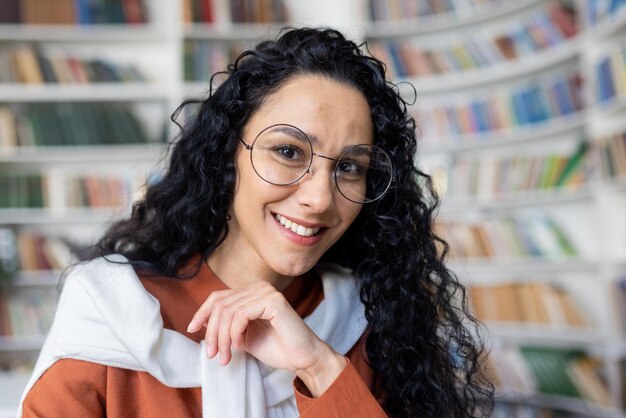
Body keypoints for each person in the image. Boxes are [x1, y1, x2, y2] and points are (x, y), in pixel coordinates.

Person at [19, 28, 493, 417]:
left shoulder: (367, 321)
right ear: (228, 155)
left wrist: (320, 366)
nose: (319, 198)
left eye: (350, 166)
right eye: (288, 152)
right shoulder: (111, 310)